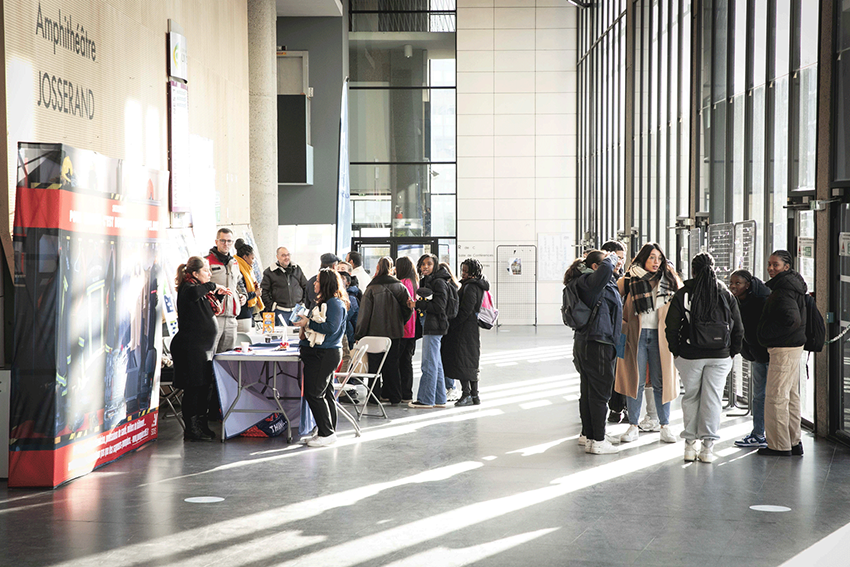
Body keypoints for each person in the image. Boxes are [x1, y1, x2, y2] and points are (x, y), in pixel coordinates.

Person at [665, 253, 744, 463]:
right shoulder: (725, 293)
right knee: (713, 398)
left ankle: (689, 445)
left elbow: (671, 326)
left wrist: (677, 351)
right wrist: (731, 352)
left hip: (690, 355)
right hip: (720, 355)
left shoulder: (683, 294)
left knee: (691, 397)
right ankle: (708, 447)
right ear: (714, 268)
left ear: (692, 270)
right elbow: (738, 327)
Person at [615, 242, 682, 444]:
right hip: (635, 335)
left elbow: (681, 305)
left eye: (659, 258)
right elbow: (612, 302)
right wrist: (621, 326)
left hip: (661, 337)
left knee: (662, 382)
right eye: (652, 257)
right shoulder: (628, 279)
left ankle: (665, 426)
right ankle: (633, 425)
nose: (656, 262)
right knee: (635, 381)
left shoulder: (670, 279)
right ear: (643, 258)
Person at [564, 250, 623, 454]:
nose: (615, 265)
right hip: (597, 344)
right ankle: (598, 440)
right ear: (596, 267)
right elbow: (607, 267)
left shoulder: (589, 282)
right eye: (609, 262)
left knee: (589, 393)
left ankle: (590, 437)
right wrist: (612, 256)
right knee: (599, 394)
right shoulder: (589, 281)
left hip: (590, 342)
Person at [170, 257, 232, 441]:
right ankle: (191, 429)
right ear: (195, 274)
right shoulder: (188, 289)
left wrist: (218, 294)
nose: (210, 274)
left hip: (203, 348)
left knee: (204, 387)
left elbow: (207, 311)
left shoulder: (202, 292)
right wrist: (212, 286)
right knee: (194, 388)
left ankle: (202, 424)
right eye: (206, 271)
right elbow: (195, 293)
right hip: (190, 348)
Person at [756, 250, 807, 457]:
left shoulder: (783, 290)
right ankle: (793, 441)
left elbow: (791, 319)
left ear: (786, 266)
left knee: (776, 397)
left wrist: (766, 335)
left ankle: (779, 445)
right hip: (794, 348)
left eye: (775, 265)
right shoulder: (793, 285)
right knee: (791, 396)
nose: (770, 268)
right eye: (769, 264)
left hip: (784, 348)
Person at [292, 268, 349, 447]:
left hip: (324, 353)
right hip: (320, 353)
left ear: (325, 283)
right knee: (325, 393)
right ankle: (326, 429)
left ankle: (326, 433)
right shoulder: (328, 302)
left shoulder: (335, 303)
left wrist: (308, 323)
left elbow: (331, 328)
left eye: (317, 281)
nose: (314, 284)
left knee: (314, 393)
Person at [353, 256, 413, 405]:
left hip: (374, 335)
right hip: (395, 334)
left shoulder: (371, 288)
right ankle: (395, 397)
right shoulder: (400, 287)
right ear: (392, 268)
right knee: (392, 365)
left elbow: (364, 314)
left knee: (374, 368)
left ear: (378, 268)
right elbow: (408, 309)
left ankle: (374, 398)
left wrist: (359, 334)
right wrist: (400, 322)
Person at [729, 269, 771, 449]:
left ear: (747, 284)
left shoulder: (761, 300)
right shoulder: (738, 300)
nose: (733, 286)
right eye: (731, 283)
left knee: (766, 395)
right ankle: (758, 433)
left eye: (737, 283)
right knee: (759, 395)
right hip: (756, 355)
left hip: (768, 353)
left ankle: (768, 434)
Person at [442, 258, 491, 407]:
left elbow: (465, 310)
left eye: (465, 271)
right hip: (471, 330)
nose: (462, 273)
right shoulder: (478, 285)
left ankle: (467, 394)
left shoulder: (470, 287)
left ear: (473, 272)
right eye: (462, 270)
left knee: (463, 362)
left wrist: (452, 325)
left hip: (464, 330)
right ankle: (474, 395)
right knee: (471, 361)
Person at [410, 253, 452, 409]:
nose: (425, 267)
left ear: (435, 266)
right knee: (436, 363)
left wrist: (417, 305)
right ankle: (440, 399)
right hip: (430, 325)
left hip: (434, 326)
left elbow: (439, 307)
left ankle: (426, 399)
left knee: (428, 364)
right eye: (422, 264)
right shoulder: (427, 281)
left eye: (429, 264)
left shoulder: (438, 282)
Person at [600, 240, 629, 424]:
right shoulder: (602, 279)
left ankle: (619, 407)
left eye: (622, 258)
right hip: (605, 333)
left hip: (621, 332)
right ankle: (611, 407)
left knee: (622, 369)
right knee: (609, 372)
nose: (620, 262)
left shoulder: (624, 278)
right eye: (617, 258)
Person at [206, 228, 247, 353]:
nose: (226, 244)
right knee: (210, 354)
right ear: (216, 241)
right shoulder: (207, 261)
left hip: (231, 318)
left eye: (229, 241)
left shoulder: (234, 262)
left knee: (227, 357)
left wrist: (243, 295)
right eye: (223, 241)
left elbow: (239, 281)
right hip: (214, 316)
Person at [261, 247, 308, 326]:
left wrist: (303, 303)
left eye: (288, 255)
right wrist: (272, 306)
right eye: (283, 255)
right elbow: (264, 291)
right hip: (280, 311)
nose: (287, 257)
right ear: (277, 257)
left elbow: (305, 287)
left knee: (297, 336)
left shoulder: (297, 269)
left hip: (297, 310)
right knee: (280, 336)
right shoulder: (270, 272)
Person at [395, 256, 419, 403]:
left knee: (401, 362)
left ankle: (403, 393)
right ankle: (407, 393)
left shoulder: (404, 283)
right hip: (412, 327)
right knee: (407, 360)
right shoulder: (414, 282)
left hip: (405, 328)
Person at [439, 261, 463, 402]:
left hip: (445, 326)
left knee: (444, 357)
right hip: (453, 328)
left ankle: (450, 387)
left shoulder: (446, 287)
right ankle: (450, 387)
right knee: (447, 357)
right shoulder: (456, 286)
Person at [234, 242, 264, 333]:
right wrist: (255, 293)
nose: (253, 261)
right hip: (242, 312)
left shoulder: (247, 268)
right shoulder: (238, 268)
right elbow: (241, 292)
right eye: (252, 258)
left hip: (248, 311)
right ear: (245, 257)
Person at [339, 271, 360, 347]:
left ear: (348, 282)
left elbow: (345, 317)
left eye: (342, 278)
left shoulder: (351, 298)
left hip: (348, 336)